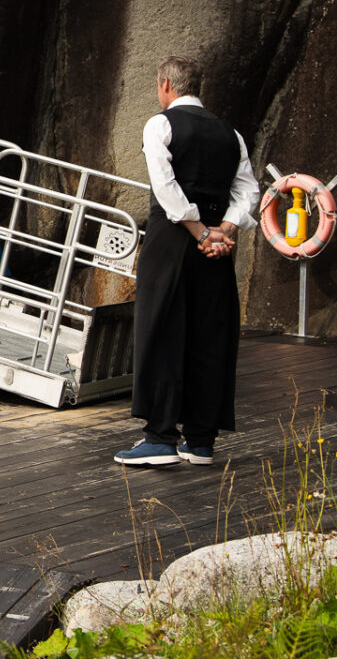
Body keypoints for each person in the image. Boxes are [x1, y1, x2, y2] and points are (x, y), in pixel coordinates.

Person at [116, 55, 259, 468]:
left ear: (165, 85)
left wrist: (199, 231)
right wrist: (224, 232)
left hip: (173, 241)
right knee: (209, 335)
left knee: (162, 329)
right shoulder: (230, 134)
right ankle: (200, 439)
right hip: (215, 250)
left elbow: (166, 186)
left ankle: (160, 437)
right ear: (199, 87)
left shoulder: (159, 124)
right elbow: (249, 192)